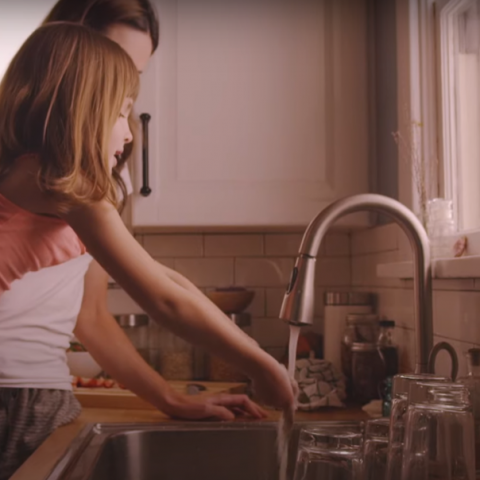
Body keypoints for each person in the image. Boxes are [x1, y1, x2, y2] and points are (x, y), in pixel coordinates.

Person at [0, 15, 294, 480]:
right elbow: (164, 299)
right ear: (84, 110)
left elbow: (165, 280)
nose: (131, 133)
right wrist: (263, 366)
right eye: (121, 111)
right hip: (14, 400)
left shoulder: (34, 175)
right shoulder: (66, 188)